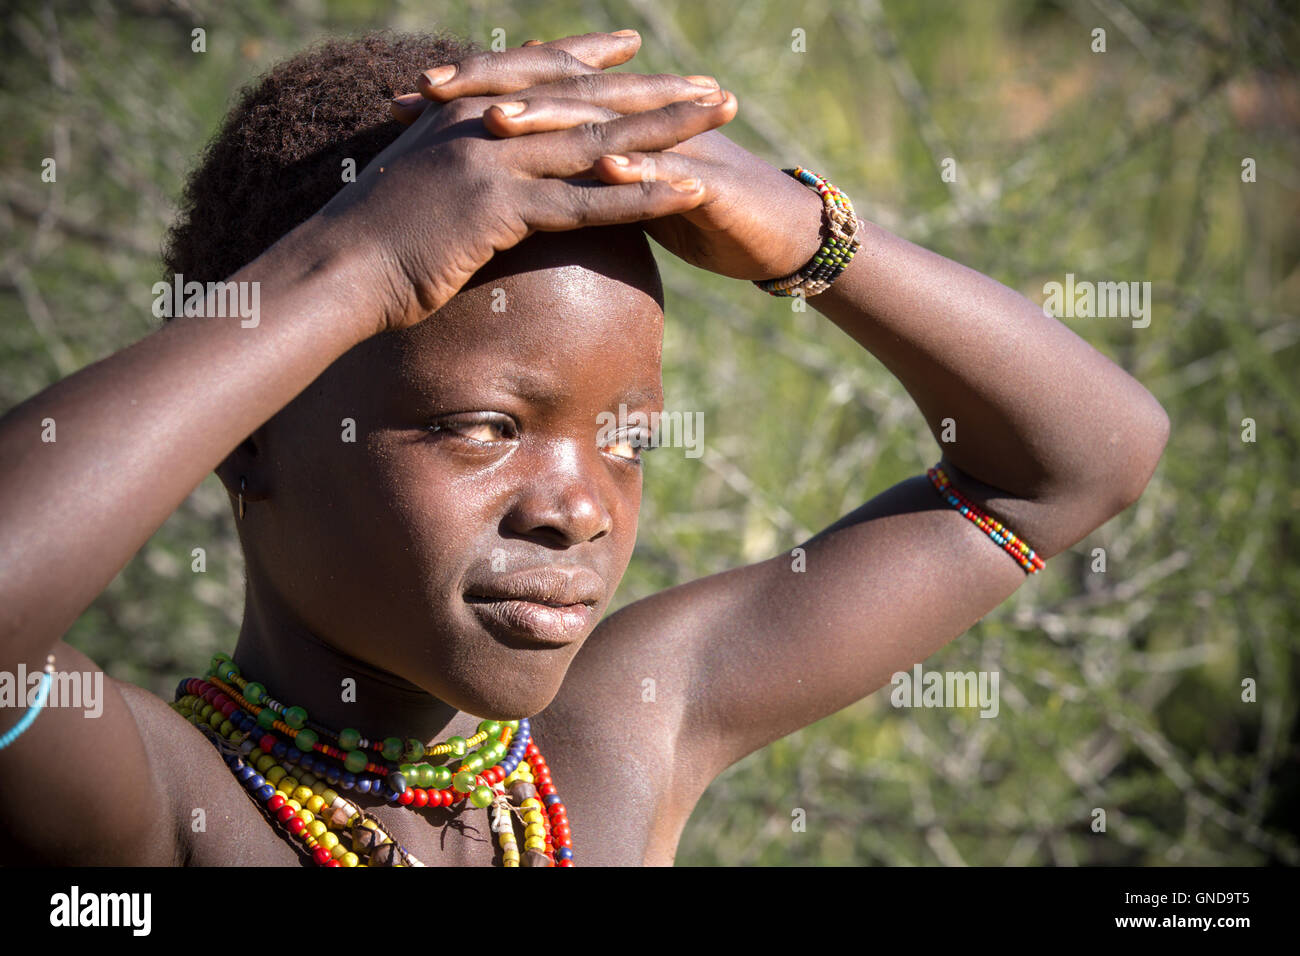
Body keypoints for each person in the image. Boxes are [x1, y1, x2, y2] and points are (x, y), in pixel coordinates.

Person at [0, 29, 1169, 866]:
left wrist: (808, 233)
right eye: (483, 428)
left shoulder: (622, 739)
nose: (577, 508)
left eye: (628, 441)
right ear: (246, 436)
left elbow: (1076, 461)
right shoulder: (153, 808)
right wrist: (351, 265)